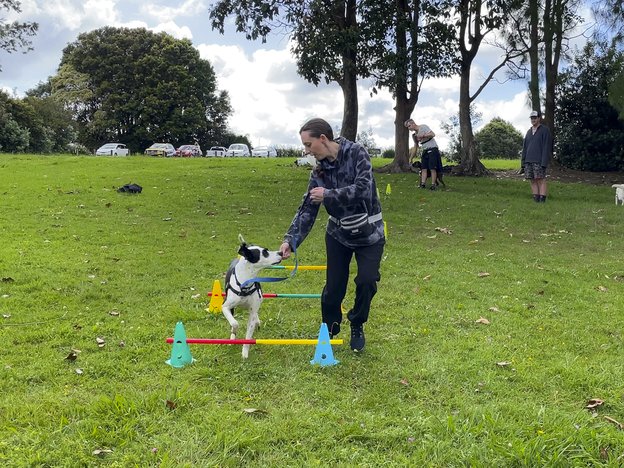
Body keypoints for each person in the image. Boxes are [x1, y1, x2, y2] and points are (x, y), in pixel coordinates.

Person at [279, 118, 385, 352]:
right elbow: (307, 208)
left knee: (367, 281)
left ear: (323, 139)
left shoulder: (357, 153)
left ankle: (357, 322)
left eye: (308, 144)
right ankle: (330, 326)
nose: (306, 150)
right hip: (338, 234)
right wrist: (290, 240)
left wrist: (328, 194)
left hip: (370, 233)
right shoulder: (318, 171)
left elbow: (363, 189)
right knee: (334, 287)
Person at [521, 110, 552, 202]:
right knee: (532, 180)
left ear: (539, 118)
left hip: (539, 160)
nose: (533, 120)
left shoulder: (545, 130)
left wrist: (544, 162)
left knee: (540, 179)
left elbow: (546, 146)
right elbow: (525, 147)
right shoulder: (528, 132)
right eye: (532, 118)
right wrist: (523, 162)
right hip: (528, 160)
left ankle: (542, 199)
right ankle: (536, 198)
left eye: (535, 118)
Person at [404, 118, 443, 190]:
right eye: (407, 127)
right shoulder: (414, 135)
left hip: (432, 149)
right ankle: (423, 184)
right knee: (423, 168)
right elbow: (415, 146)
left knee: (432, 168)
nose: (409, 128)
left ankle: (433, 185)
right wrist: (411, 158)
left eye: (409, 126)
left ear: (413, 124)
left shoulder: (423, 127)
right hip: (425, 150)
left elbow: (433, 134)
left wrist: (423, 136)